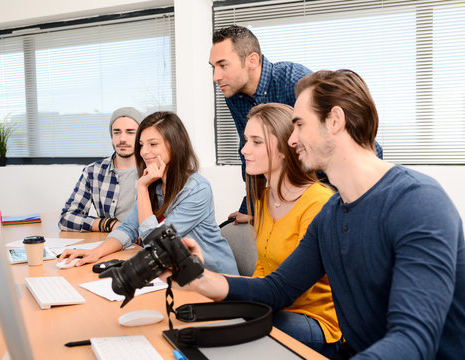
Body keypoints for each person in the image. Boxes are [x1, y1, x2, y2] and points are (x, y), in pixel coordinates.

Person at [166, 70, 465, 359]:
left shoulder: (418, 203)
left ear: (334, 120)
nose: (292, 139)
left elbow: (413, 341)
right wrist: (198, 278)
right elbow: (276, 289)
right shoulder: (332, 215)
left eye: (299, 124)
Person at [210, 25, 383, 222]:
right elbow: (249, 156)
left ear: (252, 60)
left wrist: (339, 203)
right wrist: (251, 207)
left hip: (331, 195)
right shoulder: (234, 95)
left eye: (223, 65)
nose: (216, 76)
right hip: (297, 194)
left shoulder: (294, 81)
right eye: (213, 67)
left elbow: (368, 148)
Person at [61, 111, 239, 275]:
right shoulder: (156, 183)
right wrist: (95, 252)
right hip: (180, 274)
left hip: (214, 277)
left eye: (153, 144)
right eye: (141, 144)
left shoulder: (197, 188)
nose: (144, 151)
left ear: (175, 145)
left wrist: (142, 188)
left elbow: (156, 243)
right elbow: (128, 228)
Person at [242, 102, 340, 356]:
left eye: (256, 142)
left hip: (319, 322)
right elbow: (263, 268)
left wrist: (234, 294)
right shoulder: (263, 199)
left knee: (242, 324)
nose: (244, 150)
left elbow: (293, 288)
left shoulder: (318, 202)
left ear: (287, 148)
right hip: (277, 307)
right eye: (246, 141)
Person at [58, 107, 144, 232]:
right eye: (117, 132)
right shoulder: (93, 172)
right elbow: (66, 218)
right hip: (110, 243)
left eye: (130, 132)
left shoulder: (152, 171)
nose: (122, 139)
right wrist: (109, 224)